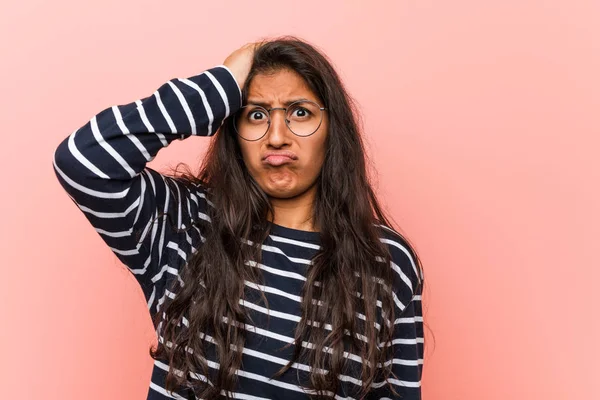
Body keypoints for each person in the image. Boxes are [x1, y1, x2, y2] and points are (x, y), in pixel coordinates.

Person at [53, 37, 425, 400]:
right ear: (234, 130)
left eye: (300, 112)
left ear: (333, 131)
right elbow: (83, 161)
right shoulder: (183, 223)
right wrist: (221, 86)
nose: (277, 136)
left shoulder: (387, 260)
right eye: (256, 114)